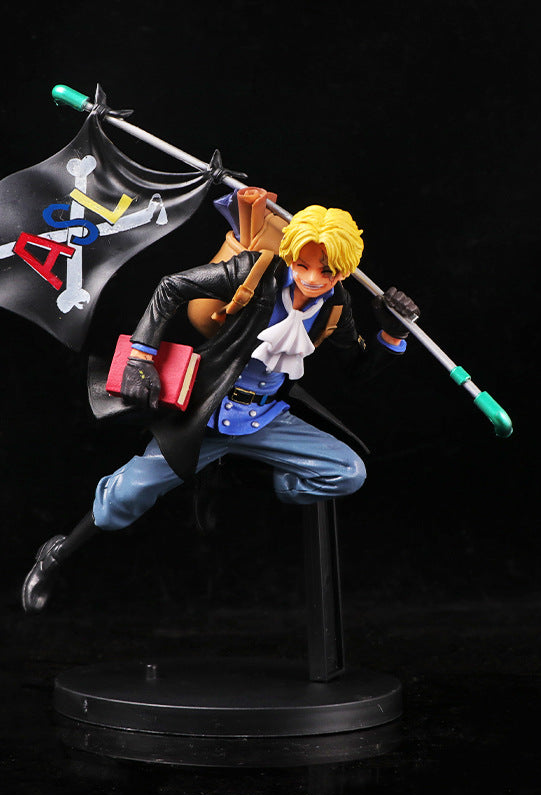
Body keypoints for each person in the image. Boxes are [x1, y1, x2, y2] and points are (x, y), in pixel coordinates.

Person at [21, 201, 419, 612]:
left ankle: (238, 473)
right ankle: (56, 556)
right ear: (290, 254)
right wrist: (141, 356)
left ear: (344, 271)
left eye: (327, 272)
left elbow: (357, 369)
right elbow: (171, 287)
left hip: (267, 418)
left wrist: (391, 335)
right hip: (209, 412)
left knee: (347, 472)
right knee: (124, 496)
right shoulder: (257, 273)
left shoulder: (335, 308)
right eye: (303, 265)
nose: (312, 279)